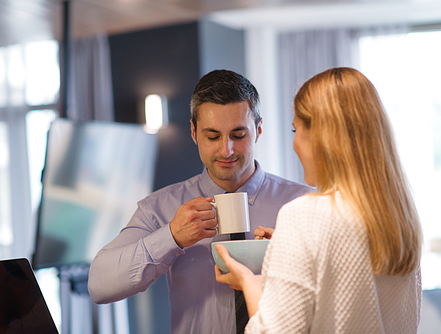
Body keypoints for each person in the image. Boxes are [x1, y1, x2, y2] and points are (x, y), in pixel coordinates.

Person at [88, 69, 312, 334]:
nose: (226, 150)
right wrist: (171, 237)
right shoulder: (158, 208)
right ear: (194, 133)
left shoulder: (305, 203)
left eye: (238, 135)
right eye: (213, 136)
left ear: (258, 130)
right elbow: (99, 285)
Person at [215, 67, 423, 333]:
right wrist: (291, 248)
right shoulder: (399, 217)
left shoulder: (306, 214)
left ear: (322, 135)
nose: (295, 144)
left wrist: (249, 281)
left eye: (295, 130)